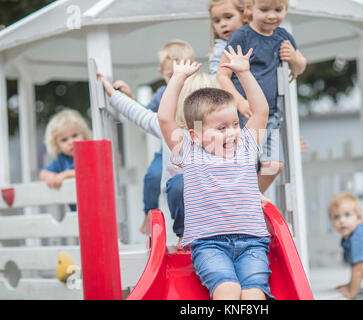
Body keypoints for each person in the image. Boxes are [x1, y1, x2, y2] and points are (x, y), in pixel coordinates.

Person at [157, 46, 273, 300]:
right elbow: (165, 119)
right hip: (210, 245)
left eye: (234, 124)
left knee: (254, 291)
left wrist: (244, 73)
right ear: (195, 135)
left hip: (253, 242)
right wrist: (177, 78)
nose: (231, 132)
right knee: (228, 288)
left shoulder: (245, 147)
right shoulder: (190, 153)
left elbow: (261, 111)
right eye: (220, 128)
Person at [97, 70, 221, 250]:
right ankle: (185, 232)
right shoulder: (170, 127)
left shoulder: (221, 133)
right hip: (182, 193)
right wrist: (113, 94)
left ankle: (218, 232)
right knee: (180, 182)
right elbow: (138, 113)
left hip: (212, 195)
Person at [217, 0, 307, 195]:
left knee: (274, 164)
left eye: (278, 10)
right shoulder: (242, 36)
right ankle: (238, 201)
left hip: (271, 114)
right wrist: (239, 102)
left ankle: (249, 199)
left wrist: (294, 58)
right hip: (244, 116)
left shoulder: (283, 37)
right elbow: (221, 75)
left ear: (286, 9)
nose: (271, 15)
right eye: (264, 10)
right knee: (245, 164)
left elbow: (300, 67)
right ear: (250, 8)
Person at [112, 40, 195, 235]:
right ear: (161, 73)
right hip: (167, 149)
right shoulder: (163, 93)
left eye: (181, 73)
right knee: (152, 176)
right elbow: (144, 115)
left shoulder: (195, 91)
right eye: (170, 75)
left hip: (193, 150)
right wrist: (130, 97)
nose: (177, 79)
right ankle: (148, 214)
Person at [39, 109, 93, 211]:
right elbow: (43, 173)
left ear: (84, 134)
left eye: (75, 135)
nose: (71, 141)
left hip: (94, 207)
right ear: (56, 144)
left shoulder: (89, 153)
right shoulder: (62, 159)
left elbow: (87, 173)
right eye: (64, 140)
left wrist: (64, 175)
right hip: (75, 212)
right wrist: (51, 177)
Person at [208, 0, 247, 76]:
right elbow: (216, 77)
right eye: (217, 21)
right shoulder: (220, 49)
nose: (222, 24)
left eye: (228, 17)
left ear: (244, 16)